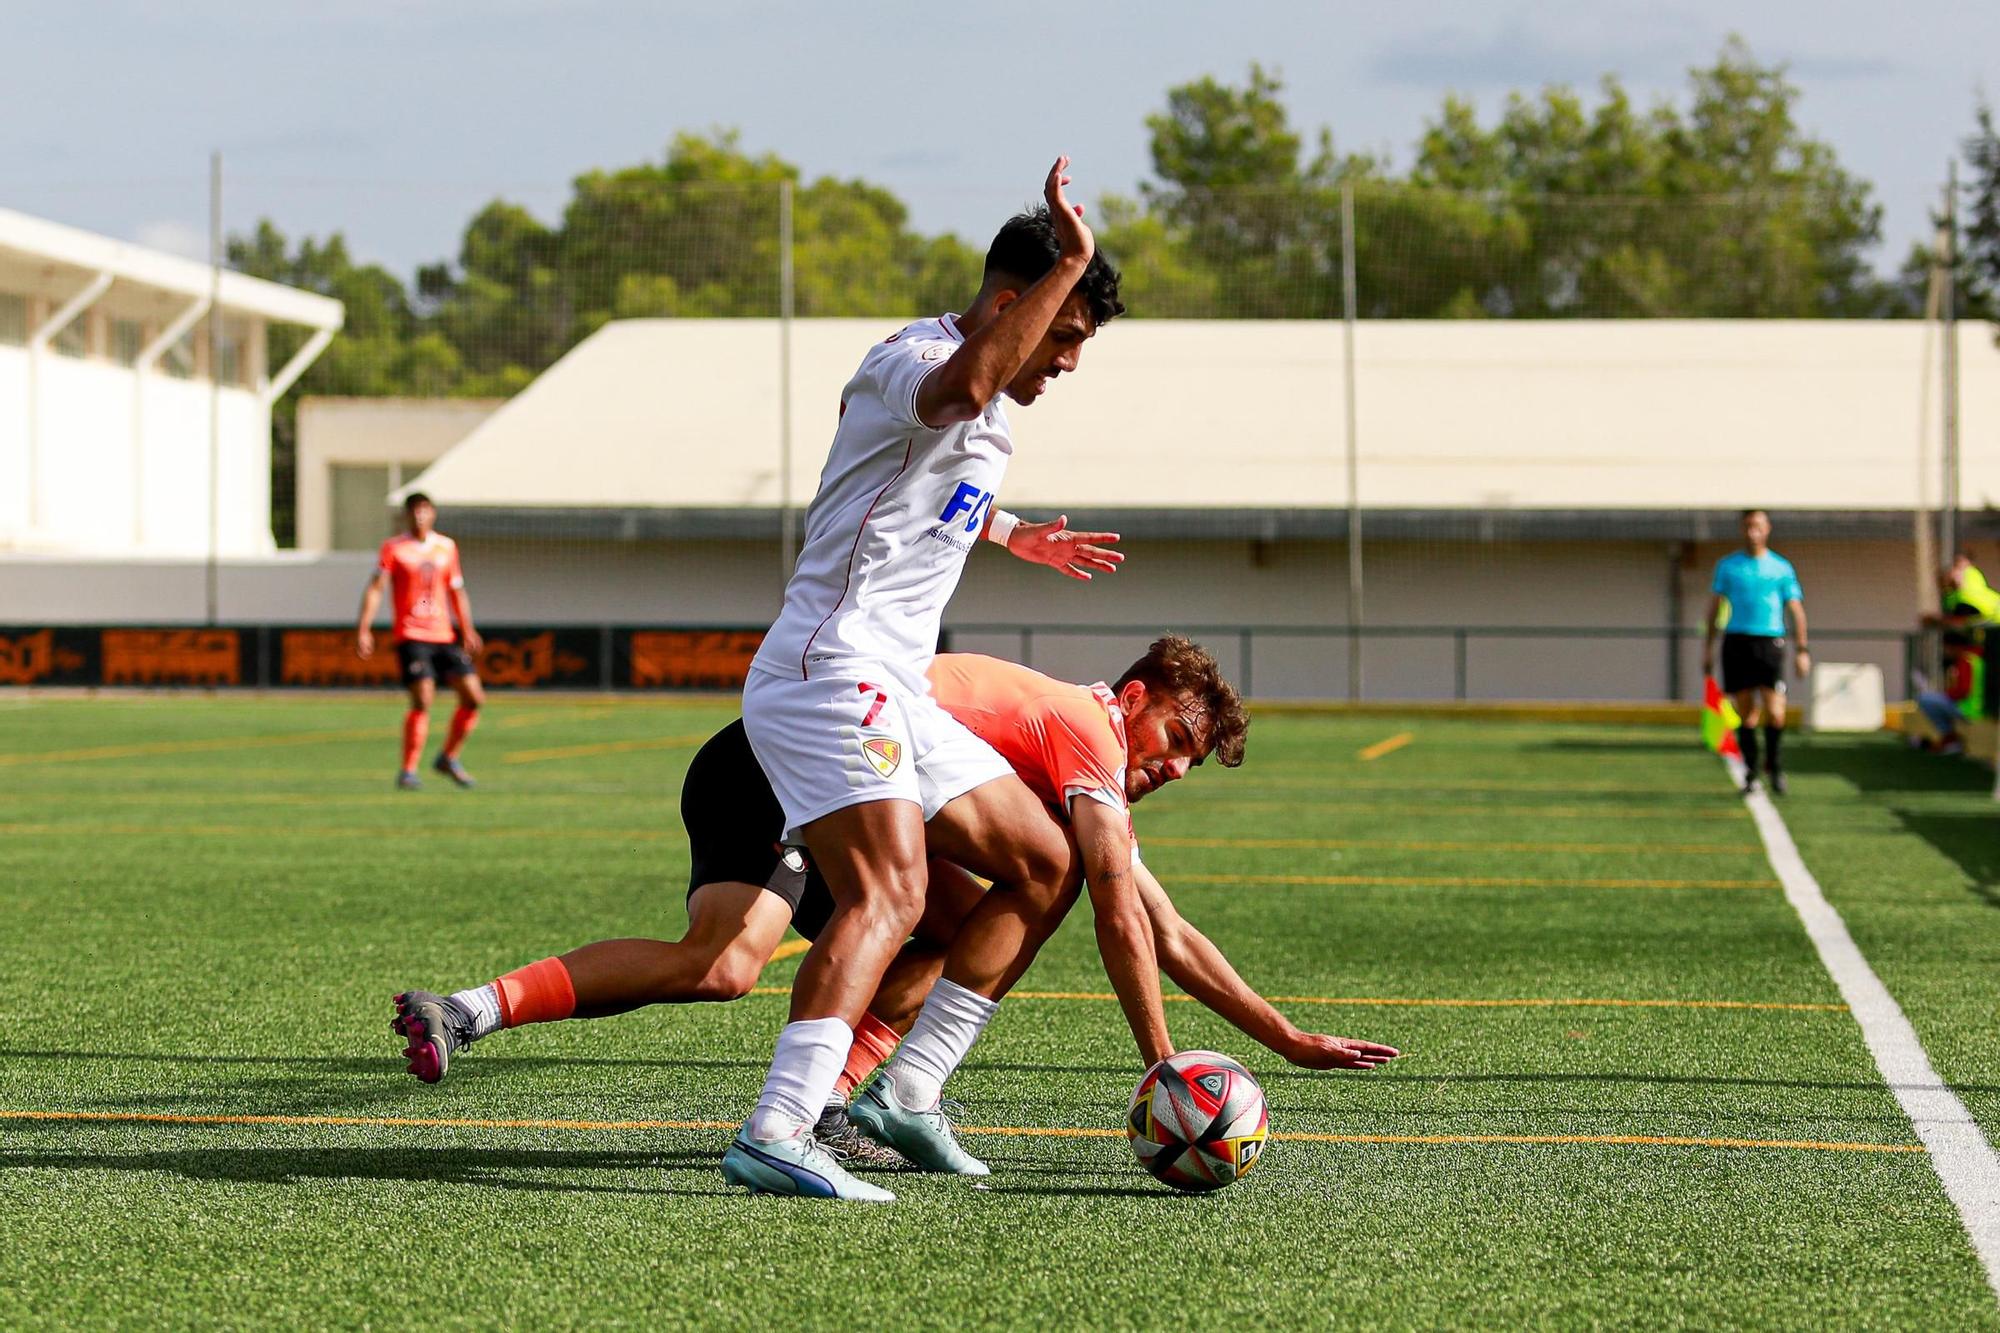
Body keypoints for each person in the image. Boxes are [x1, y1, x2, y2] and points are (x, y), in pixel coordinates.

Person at [389, 642, 1398, 1165]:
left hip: (783, 769)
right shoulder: (1085, 735)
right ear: (1129, 698)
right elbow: (1118, 913)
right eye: (1174, 737)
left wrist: (1283, 1036)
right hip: (800, 760)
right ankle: (866, 1101)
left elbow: (1162, 924)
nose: (1173, 766)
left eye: (1189, 762)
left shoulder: (1077, 773)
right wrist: (1160, 1066)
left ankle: (465, 1008)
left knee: (726, 964)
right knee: (980, 909)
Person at [729, 157, 1127, 1201]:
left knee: (1045, 865)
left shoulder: (990, 413)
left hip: (894, 682)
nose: (1072, 364)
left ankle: (906, 1093)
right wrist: (1070, 255)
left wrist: (1009, 533)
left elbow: (902, 490)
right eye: (1067, 334)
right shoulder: (912, 358)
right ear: (1011, 303)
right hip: (825, 671)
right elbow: (953, 391)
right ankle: (775, 1128)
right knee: (892, 891)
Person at [356, 492, 485, 791]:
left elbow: (457, 591)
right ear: (406, 515)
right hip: (412, 634)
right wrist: (364, 628)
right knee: (423, 698)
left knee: (474, 697)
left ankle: (448, 757)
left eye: (425, 510)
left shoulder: (446, 547)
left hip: (443, 634)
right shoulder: (394, 548)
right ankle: (408, 770)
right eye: (414, 511)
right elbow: (376, 588)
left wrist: (467, 628)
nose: (419, 516)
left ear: (433, 514)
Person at [1701, 509, 1809, 796]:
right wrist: (1708, 649)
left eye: (1758, 526)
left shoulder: (1781, 568)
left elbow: (1796, 610)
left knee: (1775, 713)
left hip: (1770, 642)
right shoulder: (1729, 566)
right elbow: (1714, 609)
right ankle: (1750, 771)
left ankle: (1774, 763)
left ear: (1767, 528)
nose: (1753, 532)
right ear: (1742, 529)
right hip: (1737, 642)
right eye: (1748, 526)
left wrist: (1802, 649)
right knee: (1746, 713)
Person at [1913, 631, 1985, 755]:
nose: (1946, 652)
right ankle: (1949, 740)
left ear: (1955, 647)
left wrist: (1947, 695)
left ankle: (1950, 739)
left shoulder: (1966, 661)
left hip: (1968, 709)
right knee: (1931, 698)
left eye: (1946, 648)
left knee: (1924, 699)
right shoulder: (1975, 659)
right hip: (1975, 707)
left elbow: (1963, 690)